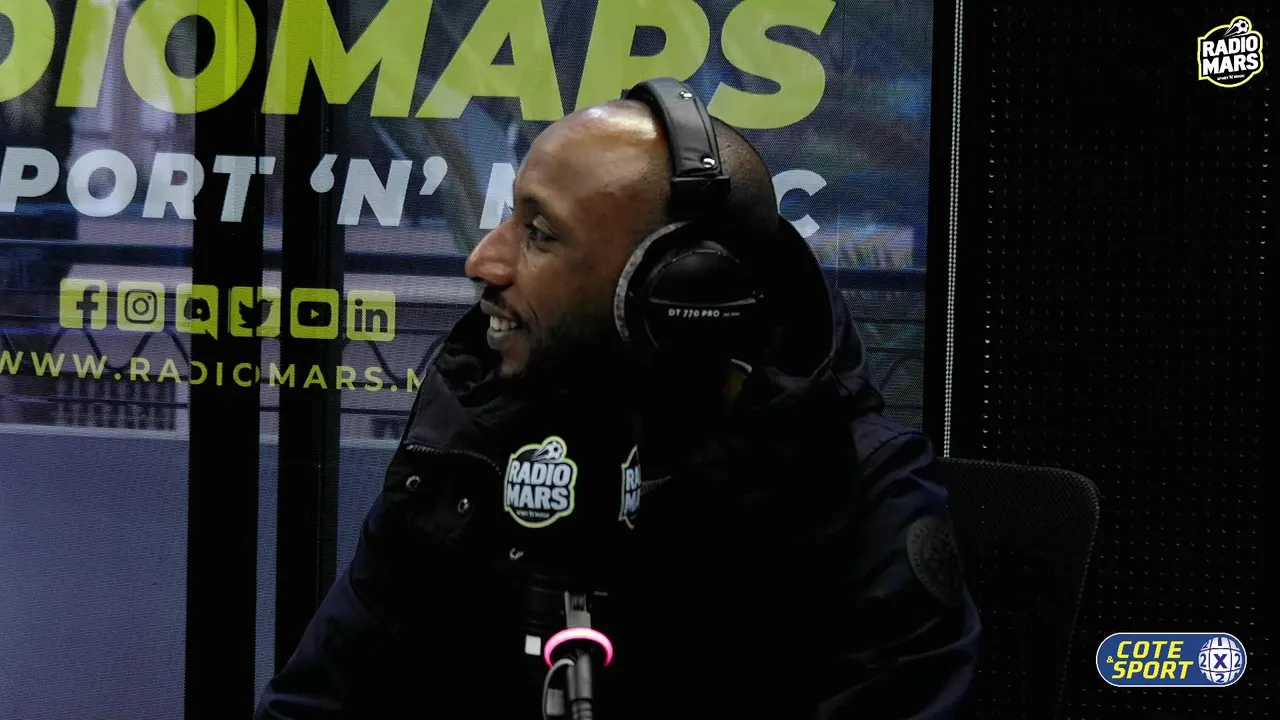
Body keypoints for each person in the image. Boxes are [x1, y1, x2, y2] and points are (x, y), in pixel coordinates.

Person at [255, 79, 980, 719]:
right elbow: (318, 701)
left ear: (678, 293)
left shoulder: (861, 500)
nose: (484, 260)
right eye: (508, 218)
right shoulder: (475, 436)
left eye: (539, 234)